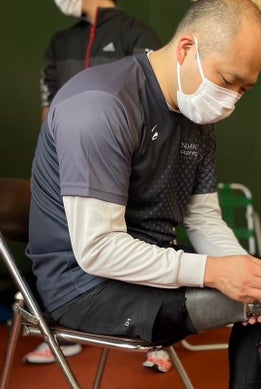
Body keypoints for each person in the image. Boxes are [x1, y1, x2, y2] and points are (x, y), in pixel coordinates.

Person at [28, 0, 261, 389]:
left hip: (149, 266)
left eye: (245, 89)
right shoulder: (100, 105)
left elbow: (202, 218)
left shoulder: (198, 114)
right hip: (84, 285)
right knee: (255, 297)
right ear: (186, 49)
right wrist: (216, 272)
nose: (232, 100)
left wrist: (243, 269)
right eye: (228, 81)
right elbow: (97, 250)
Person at [25, 0, 162, 366]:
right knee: (54, 237)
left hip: (123, 167)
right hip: (67, 166)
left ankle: (155, 336)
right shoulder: (60, 43)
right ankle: (56, 331)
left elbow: (153, 104)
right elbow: (48, 110)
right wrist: (49, 163)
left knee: (138, 230)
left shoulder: (136, 33)